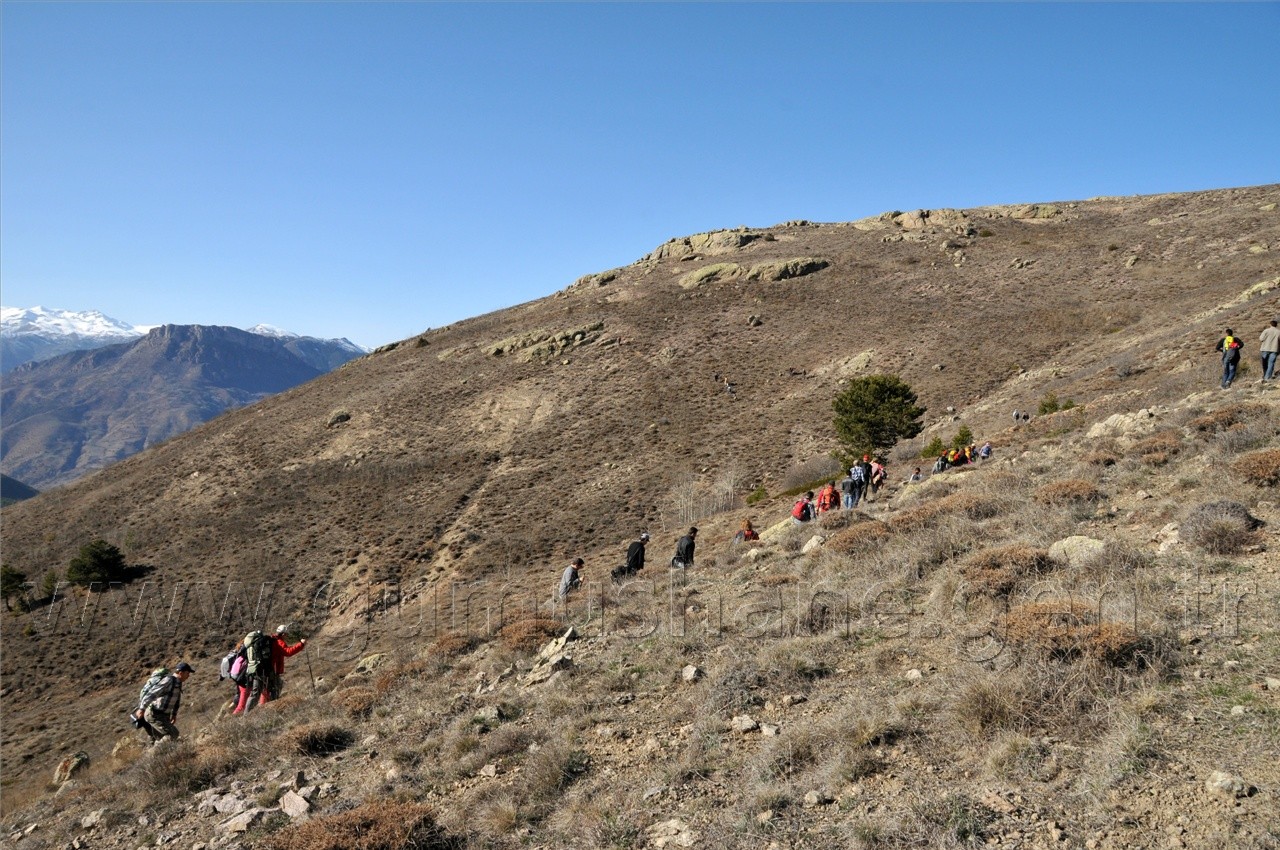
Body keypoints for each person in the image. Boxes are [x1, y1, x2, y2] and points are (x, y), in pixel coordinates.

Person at [135, 662, 193, 743]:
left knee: (163, 738)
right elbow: (152, 693)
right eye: (187, 673)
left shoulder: (178, 683)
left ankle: (156, 751)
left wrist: (174, 714)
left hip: (163, 715)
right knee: (173, 734)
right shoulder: (169, 680)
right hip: (154, 713)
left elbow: (176, 699)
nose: (188, 676)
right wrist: (142, 708)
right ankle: (154, 754)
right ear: (180, 673)